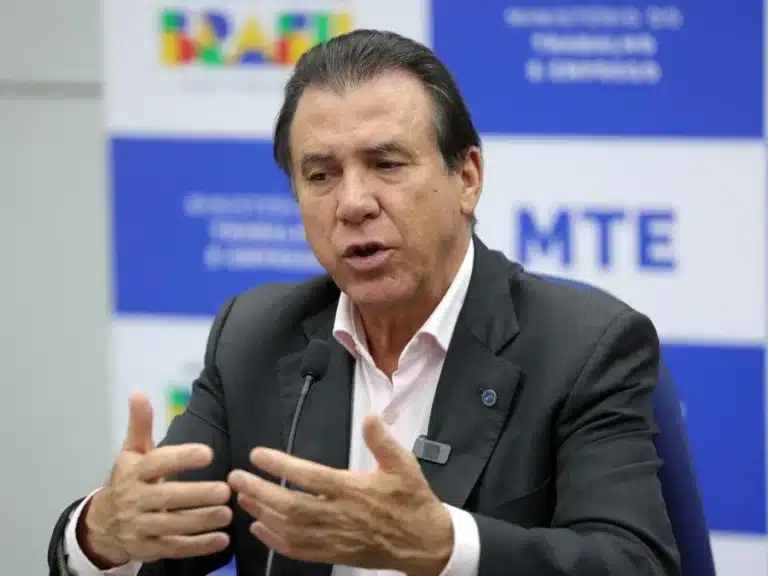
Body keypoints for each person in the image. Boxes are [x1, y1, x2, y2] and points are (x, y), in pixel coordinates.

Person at [47, 29, 681, 576]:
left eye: (386, 163)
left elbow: (633, 561)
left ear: (467, 177)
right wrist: (101, 534)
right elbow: (165, 538)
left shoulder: (583, 346)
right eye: (321, 174)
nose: (353, 204)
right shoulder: (255, 336)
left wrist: (446, 547)